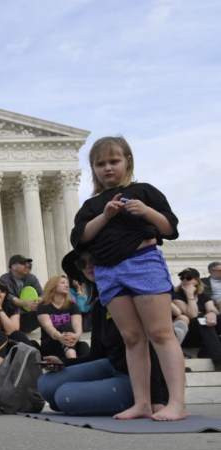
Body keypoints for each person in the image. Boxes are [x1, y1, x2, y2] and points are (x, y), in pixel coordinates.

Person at [70, 135, 186, 421]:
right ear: (93, 169)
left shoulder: (144, 192)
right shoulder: (91, 206)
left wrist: (146, 211)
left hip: (142, 263)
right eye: (100, 164)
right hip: (109, 271)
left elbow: (170, 228)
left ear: (128, 161)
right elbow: (80, 238)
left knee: (160, 333)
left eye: (114, 161)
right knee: (132, 338)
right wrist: (106, 216)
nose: (108, 168)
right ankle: (142, 403)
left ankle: (177, 403)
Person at [37, 250, 168, 416]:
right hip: (110, 365)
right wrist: (62, 362)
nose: (89, 266)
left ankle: (133, 400)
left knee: (65, 396)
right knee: (46, 383)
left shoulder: (133, 298)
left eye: (95, 258)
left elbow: (151, 349)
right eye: (82, 263)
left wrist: (156, 400)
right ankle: (89, 400)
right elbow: (96, 354)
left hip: (137, 378)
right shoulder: (99, 305)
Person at [172, 267, 221, 371]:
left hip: (205, 333)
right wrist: (190, 295)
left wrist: (211, 313)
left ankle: (205, 352)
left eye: (188, 277)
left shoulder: (203, 296)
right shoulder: (176, 295)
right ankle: (218, 361)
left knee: (211, 320)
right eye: (182, 277)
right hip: (187, 335)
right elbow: (192, 314)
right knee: (201, 321)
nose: (184, 280)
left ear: (197, 281)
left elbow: (212, 309)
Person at [36, 275, 90, 360]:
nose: (67, 285)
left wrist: (76, 336)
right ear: (53, 286)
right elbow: (48, 326)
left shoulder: (72, 305)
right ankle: (72, 362)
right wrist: (60, 337)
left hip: (71, 342)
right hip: (51, 342)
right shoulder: (43, 306)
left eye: (67, 283)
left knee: (84, 346)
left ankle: (80, 367)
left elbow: (77, 326)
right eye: (62, 283)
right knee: (66, 326)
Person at [0, 254, 43, 333]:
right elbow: (9, 297)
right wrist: (26, 303)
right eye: (23, 263)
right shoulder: (4, 279)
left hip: (27, 316)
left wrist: (37, 302)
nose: (26, 265)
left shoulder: (31, 277)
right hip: (11, 316)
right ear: (14, 266)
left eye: (27, 264)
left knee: (44, 306)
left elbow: (41, 294)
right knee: (9, 303)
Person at [201, 261, 221, 331]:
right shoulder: (203, 282)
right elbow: (204, 295)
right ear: (211, 271)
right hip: (214, 304)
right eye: (220, 270)